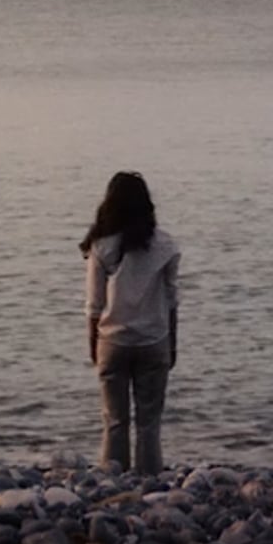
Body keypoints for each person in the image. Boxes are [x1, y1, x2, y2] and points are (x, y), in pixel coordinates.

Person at [80, 171, 180, 475]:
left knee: (114, 420)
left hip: (112, 341)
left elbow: (94, 305)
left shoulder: (101, 247)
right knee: (149, 422)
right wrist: (172, 343)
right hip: (154, 340)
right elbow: (171, 300)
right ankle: (150, 479)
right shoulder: (166, 245)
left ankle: (114, 478)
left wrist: (93, 344)